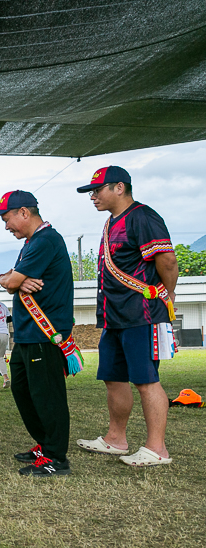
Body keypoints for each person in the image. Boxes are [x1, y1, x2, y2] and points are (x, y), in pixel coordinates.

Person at [73, 167, 178, 467]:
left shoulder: (143, 216)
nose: (93, 196)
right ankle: (116, 439)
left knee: (146, 380)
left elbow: (167, 261)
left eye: (97, 189)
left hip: (141, 315)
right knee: (113, 378)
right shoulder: (110, 223)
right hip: (113, 317)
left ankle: (157, 448)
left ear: (120, 187)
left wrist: (167, 296)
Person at [0, 191, 77, 476]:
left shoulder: (46, 240)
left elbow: (12, 279)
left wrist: (12, 280)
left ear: (24, 212)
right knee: (24, 390)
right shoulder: (32, 242)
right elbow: (9, 279)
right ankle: (45, 444)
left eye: (7, 219)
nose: (6, 227)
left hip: (45, 333)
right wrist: (9, 279)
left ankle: (56, 457)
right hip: (29, 334)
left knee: (47, 395)